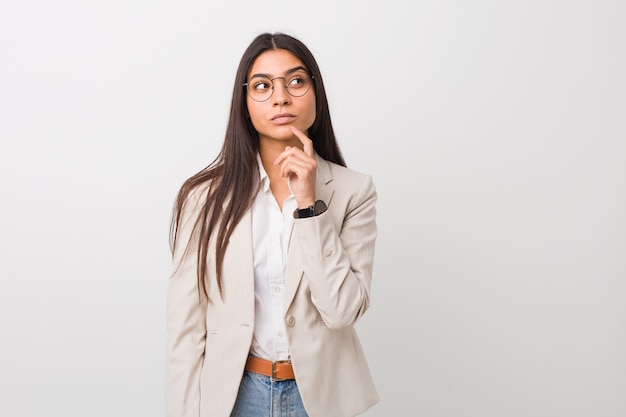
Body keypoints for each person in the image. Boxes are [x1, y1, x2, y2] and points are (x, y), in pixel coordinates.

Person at [166, 32, 379, 417]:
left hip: (320, 400)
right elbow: (185, 332)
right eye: (262, 86)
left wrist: (310, 205)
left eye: (296, 81)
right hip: (234, 396)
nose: (281, 97)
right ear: (244, 103)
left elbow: (342, 311)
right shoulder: (203, 198)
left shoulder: (354, 191)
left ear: (316, 92)